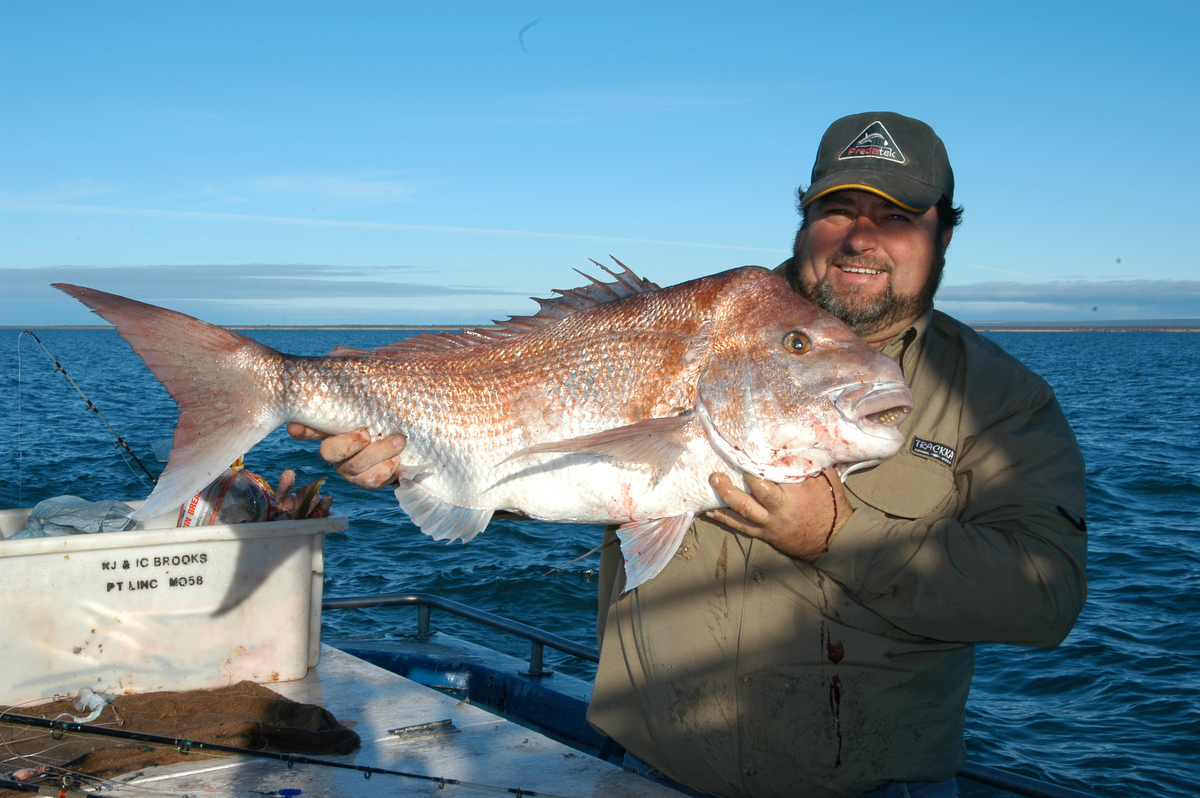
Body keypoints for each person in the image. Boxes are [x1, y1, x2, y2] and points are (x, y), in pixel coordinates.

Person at [288, 112, 1088, 798]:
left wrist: (838, 530)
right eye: (838, 210)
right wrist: (419, 456)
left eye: (899, 217)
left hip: (880, 784)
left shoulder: (1003, 398)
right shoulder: (690, 324)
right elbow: (546, 450)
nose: (861, 238)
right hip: (643, 766)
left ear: (944, 232)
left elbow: (1044, 599)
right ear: (803, 222)